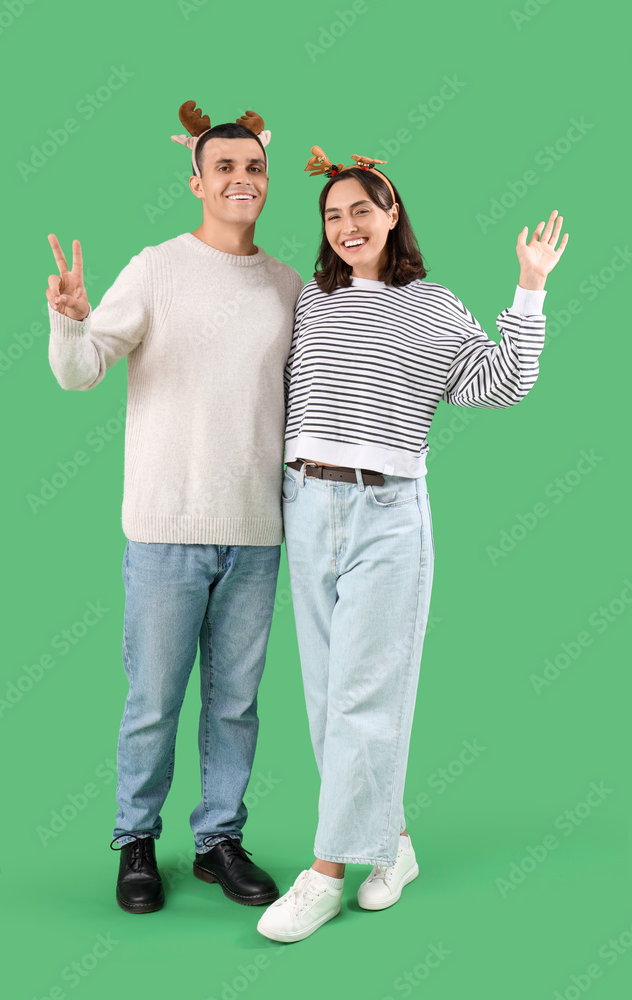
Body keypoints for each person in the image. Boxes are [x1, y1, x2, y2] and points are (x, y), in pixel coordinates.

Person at [257, 145, 567, 942]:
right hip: (304, 500)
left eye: (361, 209)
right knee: (330, 699)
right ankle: (389, 846)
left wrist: (528, 289)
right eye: (332, 216)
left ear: (392, 214)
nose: (346, 226)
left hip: (386, 512)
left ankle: (325, 872)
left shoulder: (431, 305)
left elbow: (497, 384)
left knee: (365, 694)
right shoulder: (314, 304)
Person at [45, 101, 304, 914]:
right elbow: (81, 371)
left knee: (235, 702)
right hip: (164, 529)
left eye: (253, 167)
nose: (241, 179)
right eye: (223, 167)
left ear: (266, 181)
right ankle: (134, 842)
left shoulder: (289, 286)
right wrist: (68, 320)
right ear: (196, 181)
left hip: (257, 534)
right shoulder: (156, 267)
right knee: (153, 698)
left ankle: (218, 838)